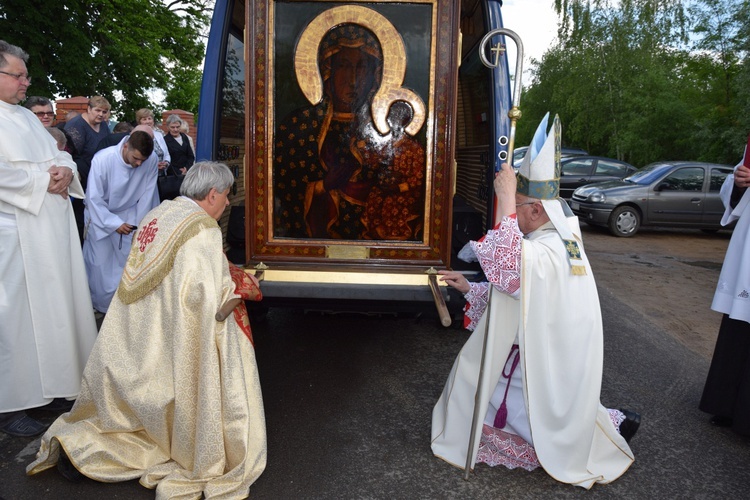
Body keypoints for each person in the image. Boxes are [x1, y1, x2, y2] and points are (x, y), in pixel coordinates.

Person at [27, 161, 267, 498]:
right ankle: (107, 453)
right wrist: (244, 287)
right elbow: (206, 299)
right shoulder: (202, 229)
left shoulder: (160, 213)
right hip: (169, 339)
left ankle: (80, 445)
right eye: (226, 196)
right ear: (212, 194)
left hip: (131, 334)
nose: (228, 203)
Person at [432, 114, 638, 488]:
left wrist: (507, 194)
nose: (514, 216)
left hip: (545, 359)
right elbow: (520, 295)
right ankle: (608, 422)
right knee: (491, 383)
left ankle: (599, 429)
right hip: (556, 351)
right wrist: (468, 287)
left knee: (474, 379)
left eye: (520, 208)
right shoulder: (559, 240)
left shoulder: (547, 249)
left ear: (536, 210)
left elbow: (512, 274)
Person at [0, 40, 97, 437]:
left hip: (50, 232)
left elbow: (60, 154)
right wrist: (44, 180)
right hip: (14, 235)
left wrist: (63, 171)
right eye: (17, 75)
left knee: (57, 308)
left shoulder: (23, 117)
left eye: (26, 75)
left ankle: (56, 385)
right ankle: (10, 404)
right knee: (17, 319)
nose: (26, 82)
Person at [273, 22, 426, 240]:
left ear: (375, 75)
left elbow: (417, 188)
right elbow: (284, 191)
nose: (353, 79)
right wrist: (323, 186)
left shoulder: (384, 128)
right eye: (344, 66)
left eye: (362, 67)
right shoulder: (300, 125)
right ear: (328, 70)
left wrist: (395, 185)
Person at [699, 138, 750, 435]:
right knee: (737, 328)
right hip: (746, 251)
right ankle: (728, 406)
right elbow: (730, 192)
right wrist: (740, 183)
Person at [83, 129, 160, 314]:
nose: (139, 163)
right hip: (101, 215)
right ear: (126, 146)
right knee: (99, 266)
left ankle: (122, 308)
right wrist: (113, 223)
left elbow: (148, 194)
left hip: (131, 215)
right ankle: (99, 306)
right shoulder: (103, 159)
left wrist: (139, 224)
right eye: (135, 158)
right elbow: (94, 197)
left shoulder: (151, 160)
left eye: (142, 160)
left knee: (128, 263)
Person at [65, 96, 111, 242]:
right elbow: (73, 155)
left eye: (104, 112)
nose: (101, 114)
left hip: (98, 173)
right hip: (82, 176)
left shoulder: (103, 124)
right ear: (88, 108)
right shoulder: (76, 126)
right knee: (81, 214)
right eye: (97, 110)